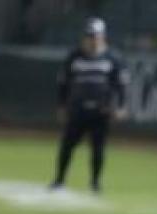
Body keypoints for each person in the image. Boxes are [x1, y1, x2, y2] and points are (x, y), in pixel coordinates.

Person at [49, 17, 128, 193]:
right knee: (67, 145)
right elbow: (63, 83)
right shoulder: (74, 57)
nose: (92, 40)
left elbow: (121, 85)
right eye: (89, 36)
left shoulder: (113, 58)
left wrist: (121, 106)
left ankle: (95, 182)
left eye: (96, 36)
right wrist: (62, 106)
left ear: (103, 37)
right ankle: (59, 180)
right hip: (77, 110)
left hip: (101, 111)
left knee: (98, 148)